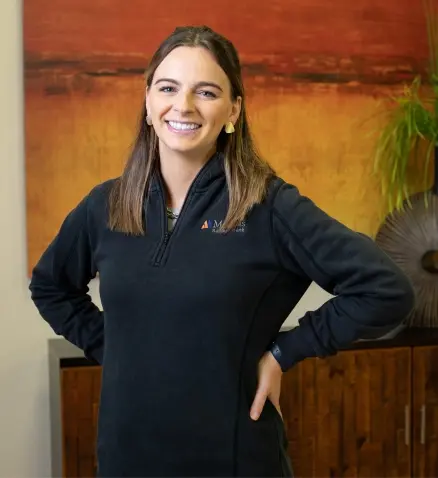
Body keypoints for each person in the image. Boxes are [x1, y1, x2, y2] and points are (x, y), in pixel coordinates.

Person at [29, 25, 415, 478]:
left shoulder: (270, 206)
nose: (183, 106)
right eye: (168, 88)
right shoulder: (106, 206)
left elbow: (386, 290)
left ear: (233, 109)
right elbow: (51, 287)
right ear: (148, 102)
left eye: (206, 92)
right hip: (125, 457)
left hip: (232, 460)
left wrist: (285, 352)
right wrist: (112, 347)